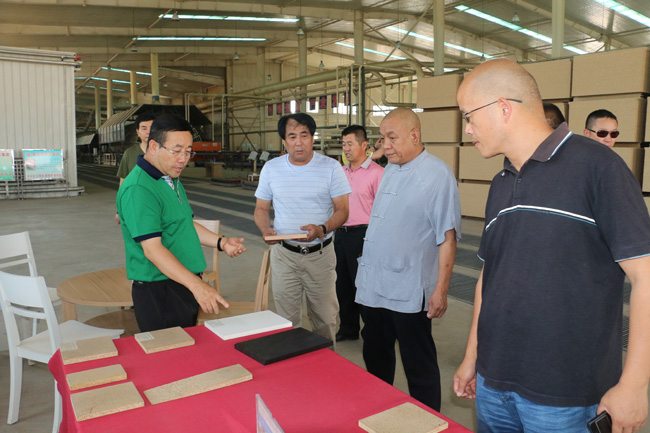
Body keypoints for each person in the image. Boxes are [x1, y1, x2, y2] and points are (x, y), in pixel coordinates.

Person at [453, 59, 650, 433]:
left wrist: (634, 385)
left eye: (469, 116)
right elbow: (488, 278)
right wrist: (471, 358)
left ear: (503, 109)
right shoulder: (501, 182)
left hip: (565, 397)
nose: (467, 130)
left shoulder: (599, 167)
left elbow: (646, 277)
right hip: (494, 386)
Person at [355, 107, 461, 411]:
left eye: (391, 137)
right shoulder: (390, 168)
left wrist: (440, 290)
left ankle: (427, 419)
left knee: (418, 361)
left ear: (414, 136)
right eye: (381, 138)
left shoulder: (436, 174)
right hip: (374, 284)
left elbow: (448, 238)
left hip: (408, 289)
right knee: (375, 354)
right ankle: (377, 410)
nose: (384, 145)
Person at [117, 115, 246, 332]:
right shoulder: (139, 188)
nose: (183, 159)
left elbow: (184, 224)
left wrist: (221, 242)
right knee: (170, 357)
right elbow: (153, 250)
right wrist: (198, 287)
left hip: (181, 283)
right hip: (161, 290)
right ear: (153, 146)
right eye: (176, 151)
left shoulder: (170, 179)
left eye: (188, 152)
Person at [254, 113, 350, 342]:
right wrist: (265, 230)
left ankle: (324, 372)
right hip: (284, 256)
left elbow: (343, 211)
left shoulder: (331, 167)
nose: (299, 142)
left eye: (304, 135)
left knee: (325, 321)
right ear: (284, 141)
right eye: (292, 136)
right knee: (286, 322)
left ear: (312, 137)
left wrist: (322, 229)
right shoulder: (271, 168)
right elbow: (261, 209)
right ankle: (291, 375)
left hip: (320, 255)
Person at [335, 125, 384, 342]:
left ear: (364, 145)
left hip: (364, 236)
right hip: (341, 234)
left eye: (350, 144)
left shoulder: (377, 173)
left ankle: (372, 331)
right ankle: (348, 328)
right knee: (343, 284)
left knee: (364, 286)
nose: (346, 148)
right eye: (343, 144)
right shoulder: (340, 172)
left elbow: (383, 212)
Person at [115, 112, 156, 223]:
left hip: (158, 204)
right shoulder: (129, 153)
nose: (148, 131)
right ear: (138, 132)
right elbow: (123, 183)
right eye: (144, 128)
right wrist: (119, 210)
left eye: (152, 128)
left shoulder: (164, 153)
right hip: (135, 205)